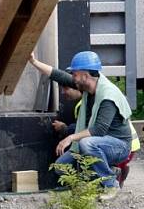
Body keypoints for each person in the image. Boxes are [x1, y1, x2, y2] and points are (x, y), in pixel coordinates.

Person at [29, 51, 133, 199]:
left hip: (119, 146)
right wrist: (34, 62)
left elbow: (99, 130)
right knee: (61, 167)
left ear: (85, 75)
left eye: (75, 74)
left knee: (87, 144)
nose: (72, 78)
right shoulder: (87, 87)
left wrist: (71, 137)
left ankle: (110, 184)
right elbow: (57, 75)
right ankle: (95, 182)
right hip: (99, 143)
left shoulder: (108, 96)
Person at [53, 86, 140, 188]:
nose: (63, 92)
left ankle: (108, 180)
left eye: (67, 89)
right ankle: (89, 183)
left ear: (78, 89)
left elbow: (89, 129)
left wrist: (65, 129)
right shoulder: (87, 102)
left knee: (90, 152)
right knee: (65, 164)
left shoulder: (97, 102)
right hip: (119, 145)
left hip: (119, 148)